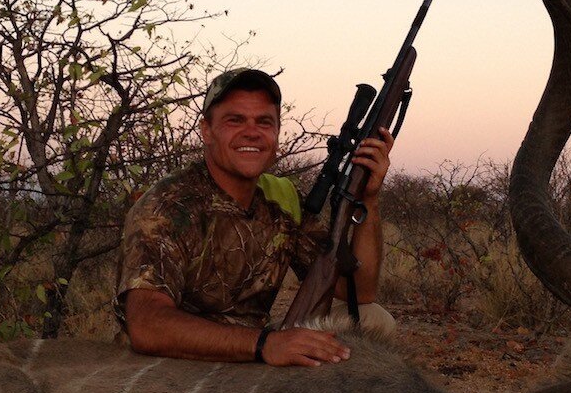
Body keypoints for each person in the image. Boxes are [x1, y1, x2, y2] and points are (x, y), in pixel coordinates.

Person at [116, 68, 393, 367]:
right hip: (178, 360)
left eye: (264, 122)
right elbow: (146, 325)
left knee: (374, 320)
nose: (251, 131)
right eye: (235, 120)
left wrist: (368, 198)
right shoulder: (167, 205)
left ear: (276, 133)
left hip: (254, 350)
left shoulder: (282, 197)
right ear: (206, 130)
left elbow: (359, 292)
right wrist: (263, 344)